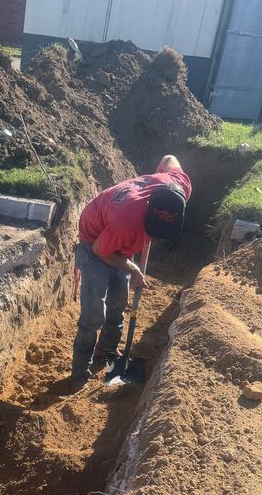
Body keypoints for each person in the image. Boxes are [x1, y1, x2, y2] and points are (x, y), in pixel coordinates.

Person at [70, 155, 192, 390]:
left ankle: (107, 351)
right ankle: (79, 375)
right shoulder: (126, 221)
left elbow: (169, 158)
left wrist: (157, 170)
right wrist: (133, 267)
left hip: (119, 239)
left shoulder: (179, 185)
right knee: (94, 314)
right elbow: (100, 250)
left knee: (118, 303)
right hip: (95, 243)